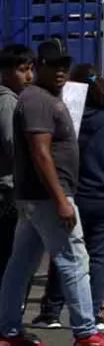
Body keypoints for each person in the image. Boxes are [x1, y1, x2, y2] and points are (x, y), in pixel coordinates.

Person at [0, 40, 104, 346]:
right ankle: (86, 331)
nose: (59, 71)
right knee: (74, 258)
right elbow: (40, 153)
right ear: (39, 66)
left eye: (63, 66)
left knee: (21, 263)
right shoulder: (36, 101)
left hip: (36, 196)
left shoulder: (41, 97)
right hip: (47, 197)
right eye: (52, 65)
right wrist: (61, 200)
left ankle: (7, 330)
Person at [31, 66, 104, 333]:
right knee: (99, 257)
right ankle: (95, 312)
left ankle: (51, 310)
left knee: (64, 254)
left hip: (74, 196)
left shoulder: (68, 120)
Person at [0, 46, 33, 283]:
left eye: (31, 69)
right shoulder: (8, 102)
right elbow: (13, 146)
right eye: (22, 70)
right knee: (9, 254)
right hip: (7, 191)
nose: (29, 76)